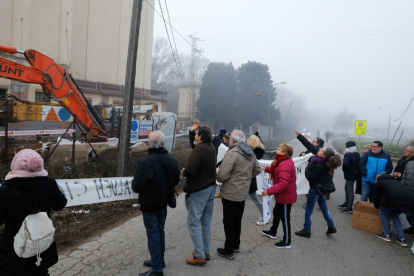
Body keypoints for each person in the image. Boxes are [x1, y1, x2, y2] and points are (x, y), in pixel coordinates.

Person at [0, 149, 67, 276]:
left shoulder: (6, 190)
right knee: (40, 271)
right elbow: (60, 205)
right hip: (41, 243)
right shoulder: (49, 183)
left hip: (14, 248)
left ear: (15, 165)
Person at [132, 131, 180, 276]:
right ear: (163, 143)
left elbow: (137, 186)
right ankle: (159, 260)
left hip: (149, 205)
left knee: (153, 234)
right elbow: (176, 181)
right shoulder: (172, 160)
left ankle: (157, 269)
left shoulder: (146, 162)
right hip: (163, 202)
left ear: (149, 144)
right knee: (160, 231)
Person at [216, 130, 261, 260]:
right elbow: (257, 170)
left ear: (233, 140)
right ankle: (236, 245)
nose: (229, 139)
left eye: (230, 138)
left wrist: (220, 178)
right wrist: (245, 178)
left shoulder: (232, 153)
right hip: (242, 193)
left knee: (229, 221)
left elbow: (222, 176)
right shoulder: (250, 153)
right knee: (237, 220)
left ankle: (228, 250)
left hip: (230, 193)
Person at [293, 131, 342, 238]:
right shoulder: (320, 157)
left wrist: (307, 168)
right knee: (323, 207)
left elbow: (310, 177)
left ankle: (306, 230)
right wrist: (299, 136)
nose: (319, 149)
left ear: (324, 155)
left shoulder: (320, 165)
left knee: (309, 209)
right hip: (321, 188)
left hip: (316, 188)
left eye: (321, 150)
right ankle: (331, 227)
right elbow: (309, 145)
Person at [181, 126, 217, 265]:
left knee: (193, 223)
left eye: (196, 134)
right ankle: (205, 252)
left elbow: (191, 170)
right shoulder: (210, 147)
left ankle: (200, 256)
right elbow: (194, 147)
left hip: (199, 190)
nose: (195, 137)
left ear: (200, 137)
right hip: (210, 188)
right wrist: (191, 132)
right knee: (205, 224)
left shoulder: (200, 149)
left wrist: (184, 172)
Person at [261, 143, 297, 249]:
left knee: (285, 218)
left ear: (284, 153)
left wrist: (268, 191)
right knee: (276, 213)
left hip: (285, 197)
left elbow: (283, 183)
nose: (277, 150)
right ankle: (273, 231)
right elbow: (277, 171)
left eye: (279, 149)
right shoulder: (281, 162)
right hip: (282, 196)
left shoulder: (284, 164)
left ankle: (287, 241)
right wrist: (265, 169)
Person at [374, 174, 414, 247]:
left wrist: (377, 206)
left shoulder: (379, 182)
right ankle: (402, 239)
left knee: (382, 212)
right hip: (409, 202)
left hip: (393, 199)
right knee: (395, 216)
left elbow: (376, 196)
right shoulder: (396, 181)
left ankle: (386, 235)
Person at [245, 134, 266, 226]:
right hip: (248, 178)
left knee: (254, 198)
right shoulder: (253, 151)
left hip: (247, 178)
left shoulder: (250, 152)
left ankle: (264, 216)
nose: (247, 139)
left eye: (249, 138)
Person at [339, 141, 360, 214]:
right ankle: (346, 203)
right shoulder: (357, 153)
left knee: (349, 190)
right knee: (347, 188)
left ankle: (349, 208)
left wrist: (345, 170)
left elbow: (345, 164)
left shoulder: (347, 154)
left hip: (349, 175)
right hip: (355, 174)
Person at [214, 133, 230, 199]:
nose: (223, 140)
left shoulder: (223, 146)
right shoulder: (224, 145)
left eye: (224, 139)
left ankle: (222, 193)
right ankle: (221, 192)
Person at [401, 161, 414, 234]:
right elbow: (404, 177)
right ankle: (407, 227)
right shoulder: (410, 163)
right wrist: (402, 188)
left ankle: (411, 227)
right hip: (407, 191)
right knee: (407, 210)